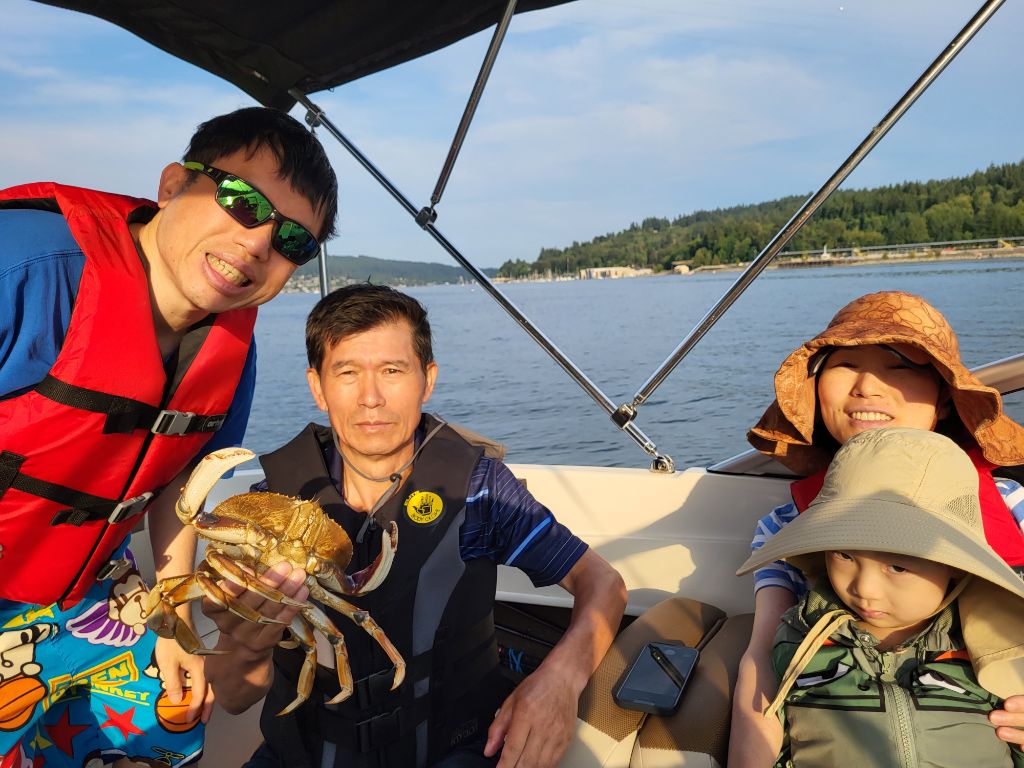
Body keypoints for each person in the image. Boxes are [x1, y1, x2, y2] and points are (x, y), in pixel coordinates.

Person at [0, 107, 337, 768]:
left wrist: (173, 620)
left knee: (175, 702)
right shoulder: (25, 269)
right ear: (173, 185)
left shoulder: (230, 350)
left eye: (294, 240)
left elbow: (180, 478)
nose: (258, 243)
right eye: (243, 201)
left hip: (84, 580)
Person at [202, 283, 628, 768]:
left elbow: (603, 584)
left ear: (427, 380)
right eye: (347, 372)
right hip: (301, 755)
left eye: (392, 370)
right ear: (317, 387)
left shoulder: (478, 490)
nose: (371, 398)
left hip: (452, 749)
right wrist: (250, 643)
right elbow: (234, 697)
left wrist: (560, 680)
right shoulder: (270, 509)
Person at [728, 290, 1024, 766]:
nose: (866, 386)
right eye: (845, 365)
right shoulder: (785, 527)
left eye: (899, 366)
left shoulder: (1013, 506)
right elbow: (763, 658)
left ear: (944, 400)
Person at [738, 427, 1024, 768]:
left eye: (897, 567)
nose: (865, 589)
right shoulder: (801, 637)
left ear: (956, 567)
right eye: (844, 554)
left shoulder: (1003, 645)